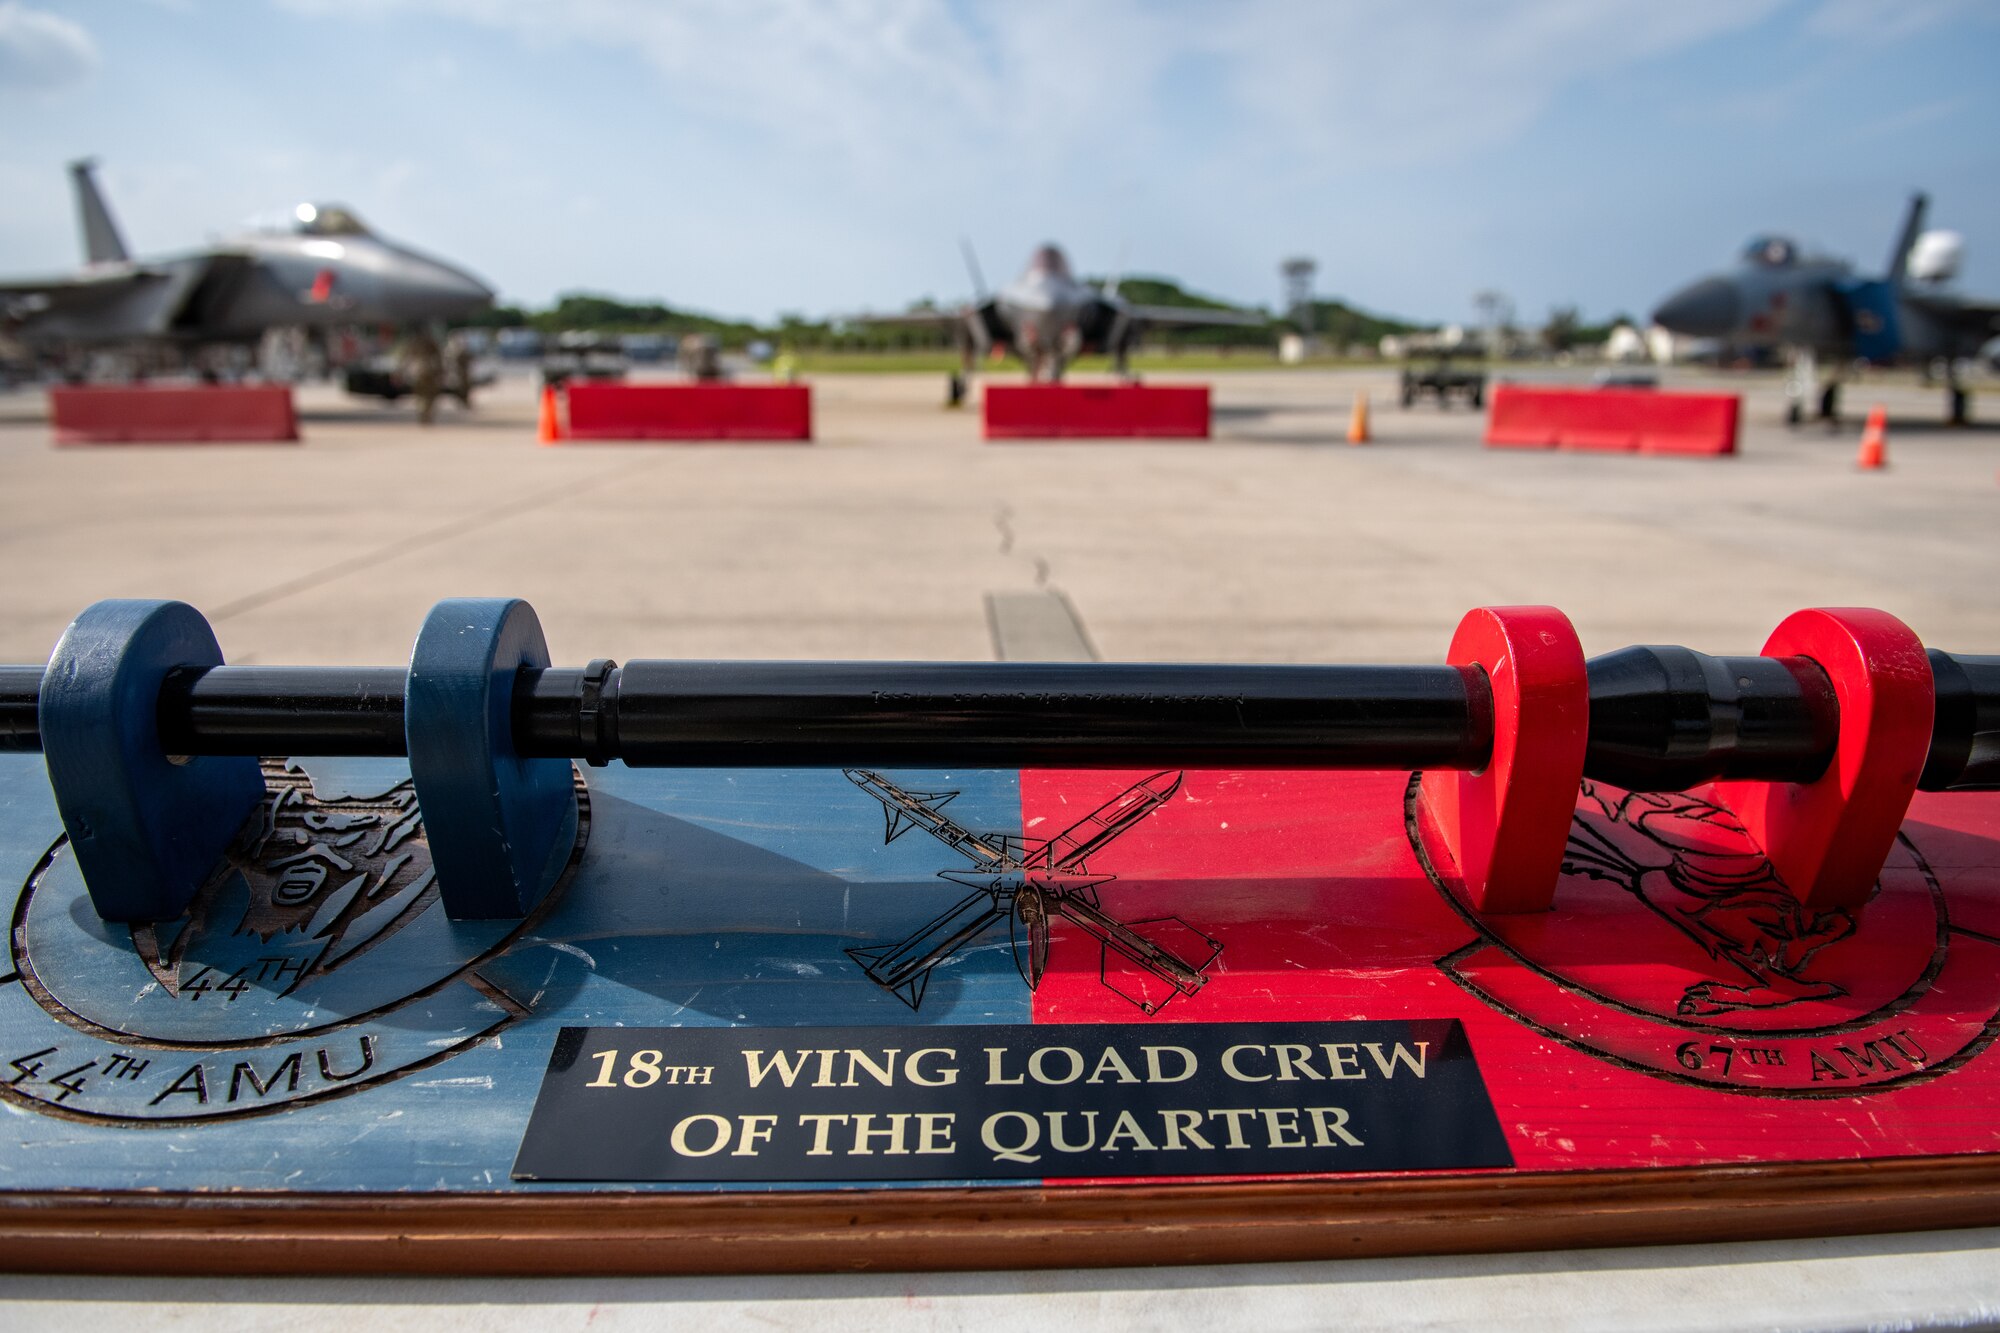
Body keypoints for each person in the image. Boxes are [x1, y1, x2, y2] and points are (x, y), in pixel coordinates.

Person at [394, 326, 444, 425]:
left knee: (422, 395)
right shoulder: (431, 343)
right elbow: (438, 358)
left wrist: (400, 372)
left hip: (419, 372)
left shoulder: (413, 343)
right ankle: (426, 413)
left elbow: (405, 359)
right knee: (428, 395)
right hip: (429, 371)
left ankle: (424, 413)